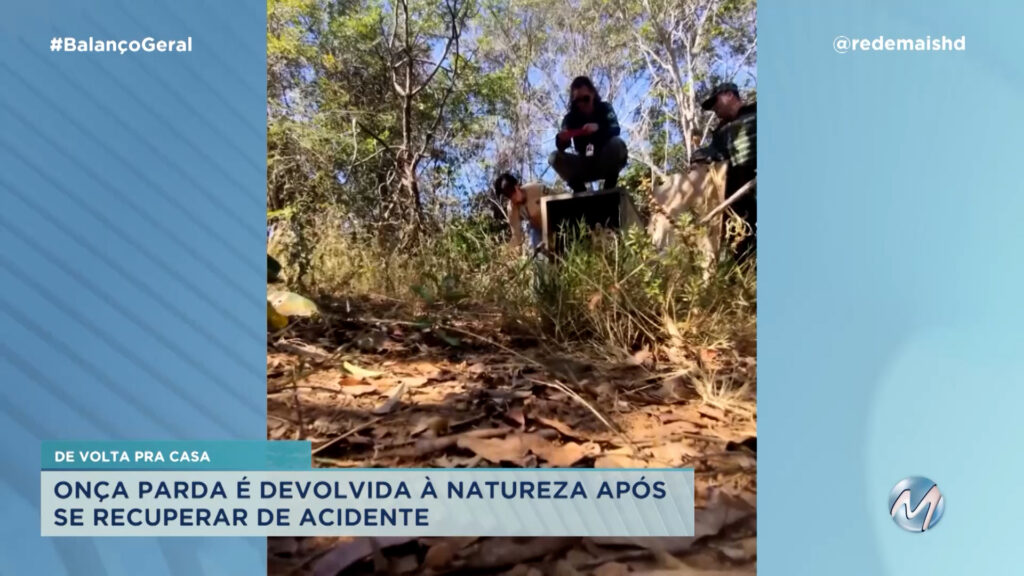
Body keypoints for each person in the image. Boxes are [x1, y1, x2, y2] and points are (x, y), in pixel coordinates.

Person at [697, 82, 757, 262]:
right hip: (740, 199)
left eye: (715, 102)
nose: (714, 109)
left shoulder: (758, 112)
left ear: (729, 95)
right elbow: (714, 155)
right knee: (742, 246)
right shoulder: (720, 133)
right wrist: (699, 158)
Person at [548, 76, 628, 193]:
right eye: (577, 101)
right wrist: (562, 139)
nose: (581, 104)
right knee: (554, 158)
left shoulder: (605, 108)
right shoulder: (570, 118)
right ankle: (579, 190)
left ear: (593, 94)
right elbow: (561, 146)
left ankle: (609, 185)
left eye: (585, 99)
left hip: (605, 160)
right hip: (584, 163)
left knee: (618, 144)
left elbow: (615, 129)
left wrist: (598, 128)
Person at [493, 172, 551, 251]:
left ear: (517, 186)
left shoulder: (536, 188)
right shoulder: (512, 209)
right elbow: (516, 236)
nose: (513, 197)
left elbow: (560, 198)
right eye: (508, 195)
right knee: (533, 234)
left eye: (512, 191)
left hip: (556, 220)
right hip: (539, 229)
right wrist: (506, 251)